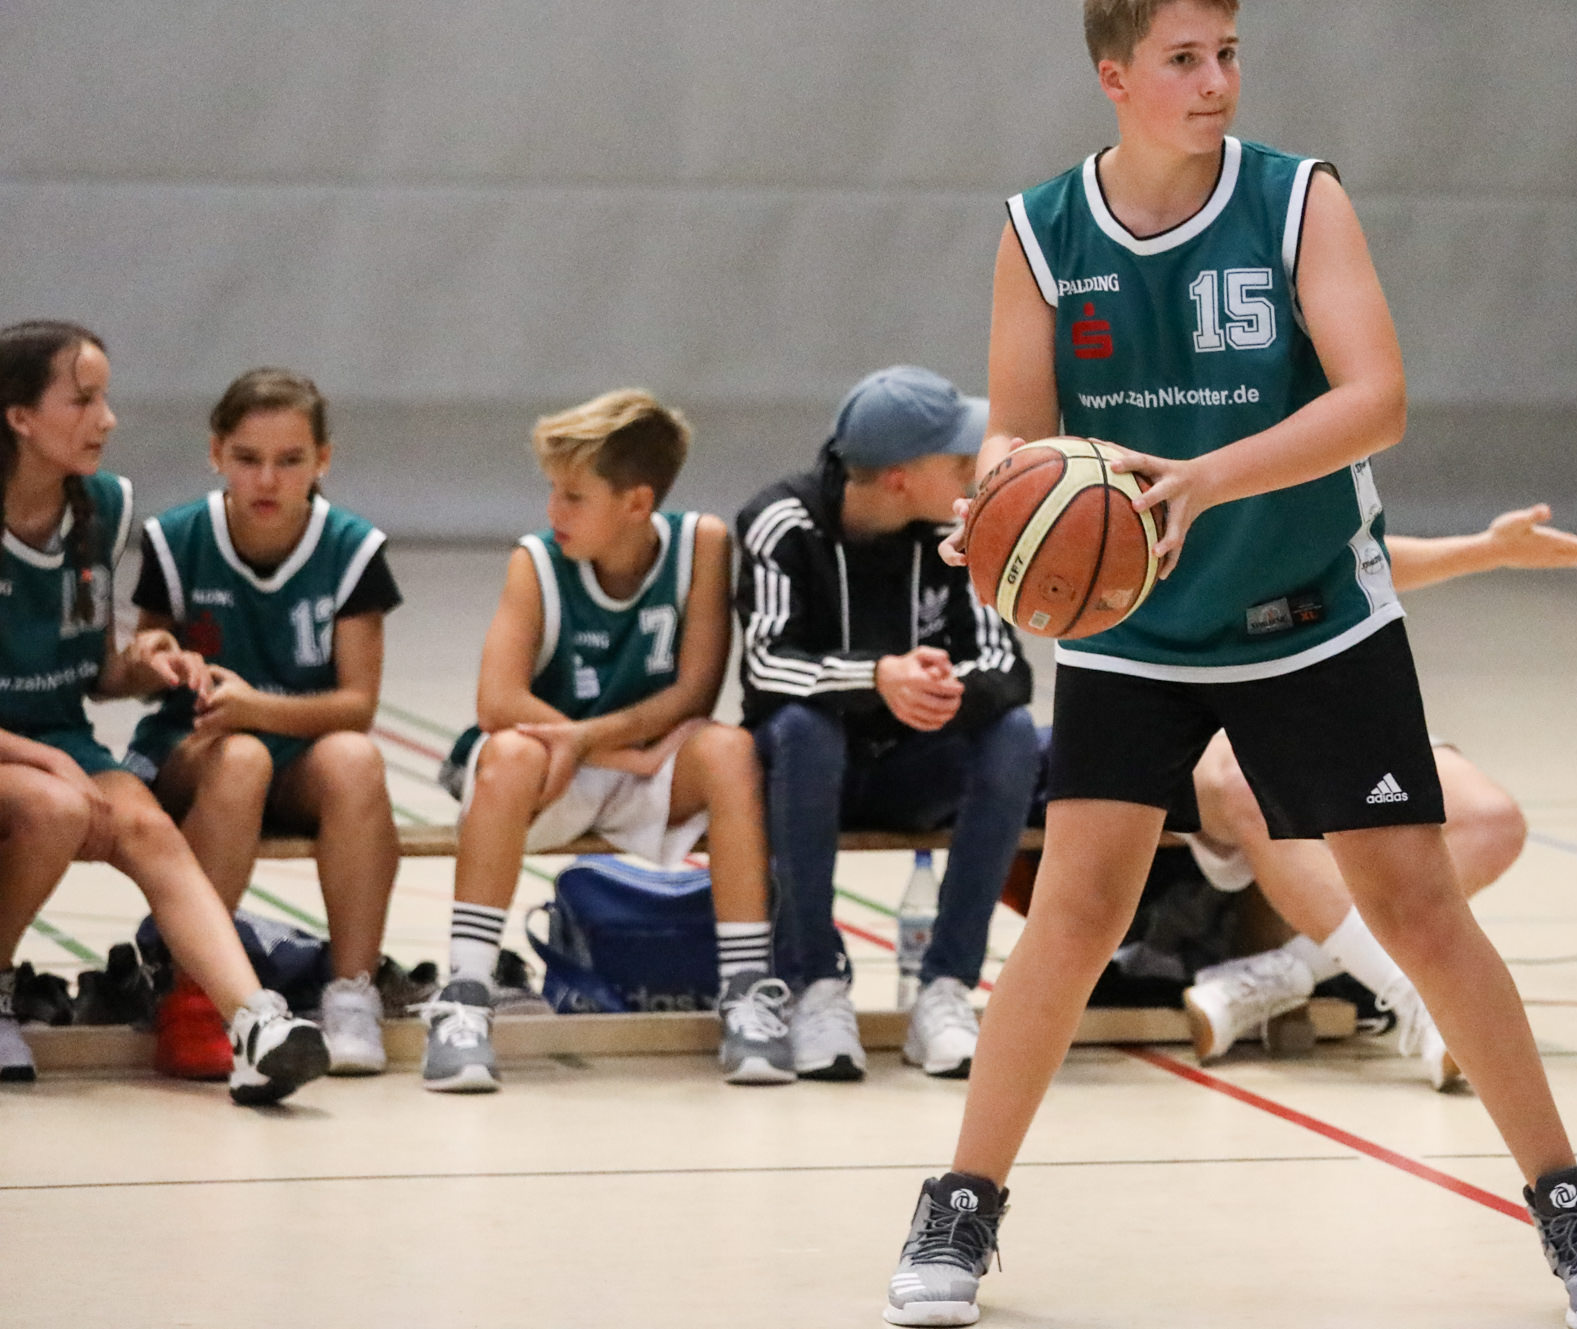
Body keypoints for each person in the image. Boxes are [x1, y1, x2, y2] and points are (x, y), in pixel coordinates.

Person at [883, 0, 1577, 1329]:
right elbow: (1017, 432)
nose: (1216, 81)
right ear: (1114, 75)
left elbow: (1376, 401)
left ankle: (1570, 1201)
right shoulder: (1040, 231)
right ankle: (960, 1203)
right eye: (1183, 59)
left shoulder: (1298, 199)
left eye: (1228, 52)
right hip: (1134, 621)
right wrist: (999, 515)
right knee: (1072, 915)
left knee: (1416, 907)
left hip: (1312, 605)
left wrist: (1204, 479)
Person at [421, 390, 788, 1092]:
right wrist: (609, 750)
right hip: (549, 773)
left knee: (730, 751)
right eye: (552, 492)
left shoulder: (704, 544)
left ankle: (748, 993)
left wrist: (591, 739)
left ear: (637, 502)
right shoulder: (535, 561)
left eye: (573, 496)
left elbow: (695, 692)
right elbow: (497, 702)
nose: (552, 511)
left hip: (636, 767)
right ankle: (464, 995)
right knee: (509, 754)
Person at [0, 321, 328, 1102]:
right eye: (83, 400)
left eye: (105, 398)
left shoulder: (104, 506)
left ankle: (254, 1021)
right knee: (55, 808)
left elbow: (89, 665)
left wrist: (144, 662)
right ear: (20, 416)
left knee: (149, 830)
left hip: (59, 738)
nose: (107, 418)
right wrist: (45, 760)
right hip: (28, 753)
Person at [1178, 504, 1577, 1087]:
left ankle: (1288, 971)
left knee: (1489, 819)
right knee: (1249, 778)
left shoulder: (1292, 487)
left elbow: (1350, 569)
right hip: (1193, 718)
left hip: (1316, 703)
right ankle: (1419, 998)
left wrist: (1488, 548)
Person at [736, 365, 1038, 1083]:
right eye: (959, 463)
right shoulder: (782, 523)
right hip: (808, 777)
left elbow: (1005, 664)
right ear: (901, 479)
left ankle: (946, 989)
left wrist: (935, 687)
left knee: (1014, 734)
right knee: (802, 730)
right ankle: (814, 986)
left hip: (912, 769)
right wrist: (878, 678)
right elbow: (766, 665)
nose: (974, 474)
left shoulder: (963, 527)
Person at [126, 369, 402, 1076]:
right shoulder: (177, 538)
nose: (267, 479)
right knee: (242, 756)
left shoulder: (353, 548)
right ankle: (192, 993)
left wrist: (259, 708)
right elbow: (141, 671)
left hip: (298, 752)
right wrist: (152, 658)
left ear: (323, 460)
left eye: (290, 460)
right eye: (248, 458)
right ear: (216, 452)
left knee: (356, 759)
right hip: (196, 751)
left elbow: (357, 704)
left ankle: (351, 992)